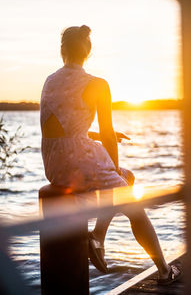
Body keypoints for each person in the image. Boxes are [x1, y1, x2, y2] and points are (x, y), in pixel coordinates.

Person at [40, 25, 182, 284]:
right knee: (131, 201)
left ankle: (97, 236)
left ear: (63, 51)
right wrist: (112, 166)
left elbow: (61, 128)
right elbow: (107, 133)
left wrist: (93, 140)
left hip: (52, 161)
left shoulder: (50, 80)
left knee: (125, 178)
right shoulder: (97, 84)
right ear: (88, 52)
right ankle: (164, 271)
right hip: (77, 161)